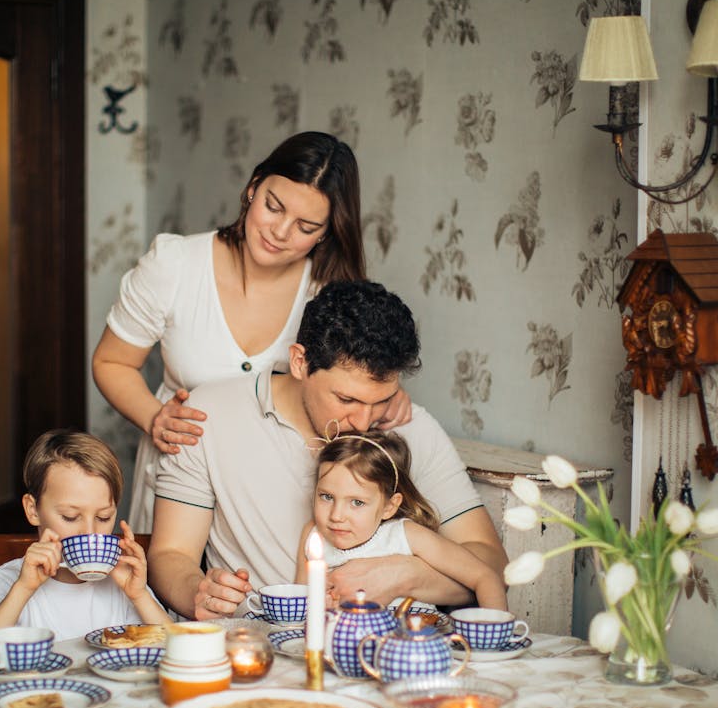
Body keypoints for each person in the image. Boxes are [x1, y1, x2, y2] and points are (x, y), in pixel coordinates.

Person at [91, 131, 410, 534]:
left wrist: (387, 396)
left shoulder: (328, 293)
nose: (280, 232)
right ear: (253, 187)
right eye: (273, 207)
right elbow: (110, 361)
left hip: (275, 499)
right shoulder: (175, 265)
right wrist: (155, 418)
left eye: (306, 226)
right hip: (180, 482)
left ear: (327, 232)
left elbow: (358, 374)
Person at [147, 280, 508, 620]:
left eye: (381, 400)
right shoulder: (207, 413)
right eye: (346, 399)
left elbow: (489, 564)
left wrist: (406, 575)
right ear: (300, 362)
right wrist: (198, 590)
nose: (365, 422)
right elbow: (170, 554)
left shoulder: (411, 426)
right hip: (260, 642)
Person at [0, 430, 169, 673]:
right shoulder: (7, 581)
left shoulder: (125, 588)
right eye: (70, 516)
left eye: (103, 517)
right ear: (33, 510)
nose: (90, 532)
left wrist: (140, 596)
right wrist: (23, 589)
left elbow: (183, 653)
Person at [294, 431, 508, 612]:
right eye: (327, 497)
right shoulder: (313, 535)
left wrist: (493, 638)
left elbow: (485, 577)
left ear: (389, 506)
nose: (336, 515)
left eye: (357, 502)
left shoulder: (407, 536)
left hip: (413, 650)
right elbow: (301, 604)